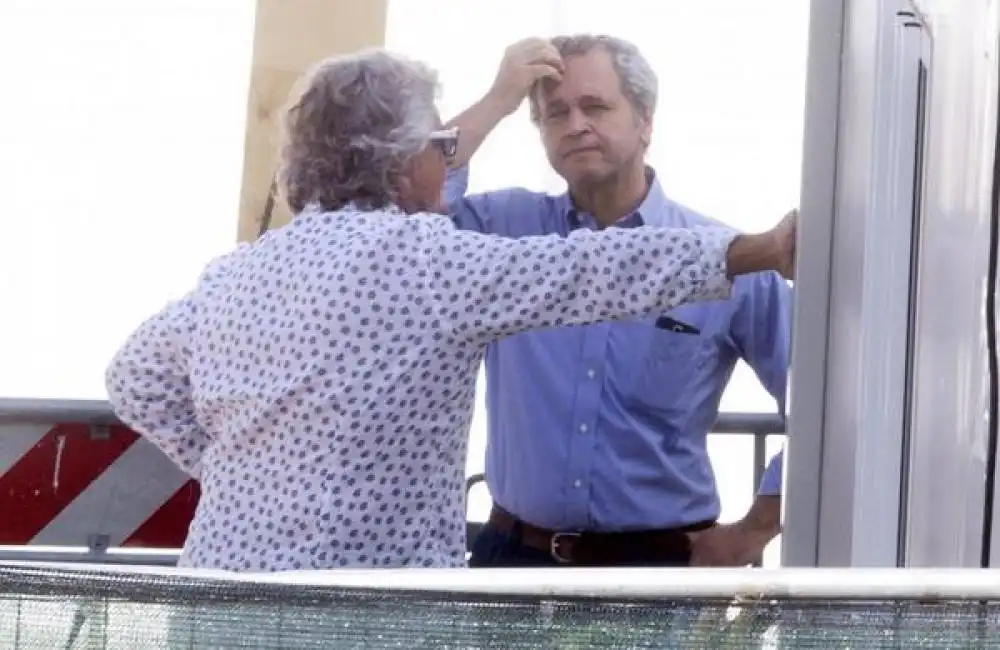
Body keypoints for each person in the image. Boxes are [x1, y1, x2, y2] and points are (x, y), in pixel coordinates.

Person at [104, 47, 795, 573]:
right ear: (404, 162)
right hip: (376, 601)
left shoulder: (237, 271)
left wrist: (235, 468)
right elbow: (588, 271)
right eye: (440, 146)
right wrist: (757, 248)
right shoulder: (432, 259)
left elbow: (133, 376)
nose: (449, 158)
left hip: (227, 587)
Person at [445, 35, 791, 567]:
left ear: (645, 121)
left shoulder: (732, 259)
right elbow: (404, 209)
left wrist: (755, 528)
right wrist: (499, 97)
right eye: (554, 113)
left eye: (596, 106)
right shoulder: (499, 232)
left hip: (659, 570)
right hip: (513, 563)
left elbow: (831, 404)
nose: (575, 124)